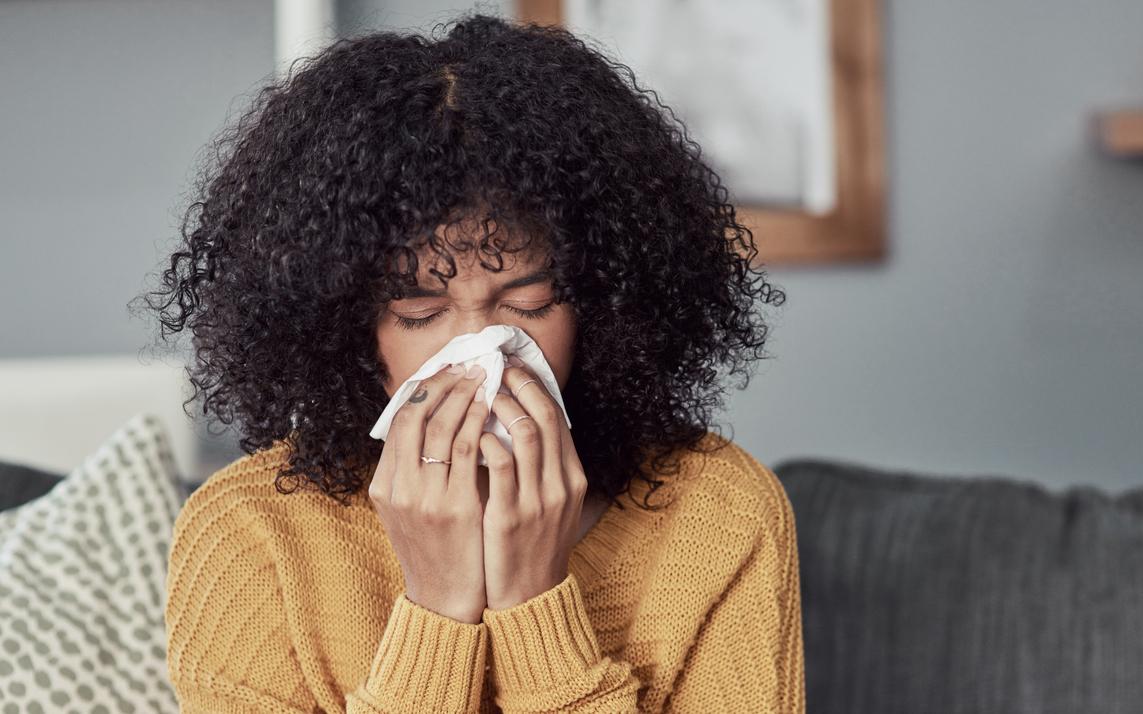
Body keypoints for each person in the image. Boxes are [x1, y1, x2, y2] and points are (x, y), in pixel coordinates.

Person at [140, 11, 802, 713]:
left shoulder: (721, 513)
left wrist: (536, 604)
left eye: (531, 302)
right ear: (343, 325)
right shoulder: (251, 536)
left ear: (603, 303)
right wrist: (436, 609)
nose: (483, 351)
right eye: (421, 314)